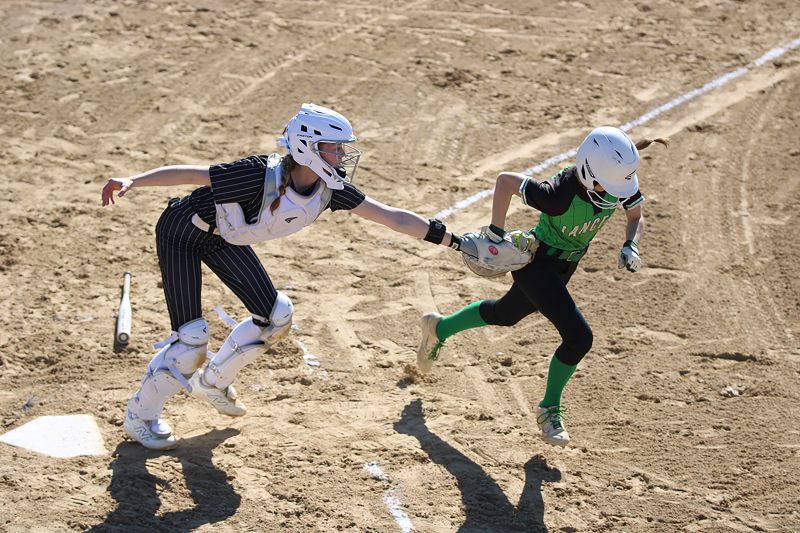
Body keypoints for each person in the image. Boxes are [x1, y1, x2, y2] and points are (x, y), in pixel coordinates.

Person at [101, 103, 466, 450]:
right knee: (191, 341)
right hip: (182, 232)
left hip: (222, 238)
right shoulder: (257, 175)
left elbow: (393, 217)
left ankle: (213, 382)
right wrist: (133, 180)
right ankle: (140, 416)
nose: (342, 156)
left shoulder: (329, 189)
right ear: (308, 148)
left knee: (276, 316)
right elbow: (192, 174)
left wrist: (455, 241)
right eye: (335, 148)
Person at [416, 127, 667, 447]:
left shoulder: (617, 181)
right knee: (579, 338)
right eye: (609, 185)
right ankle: (549, 409)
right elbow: (505, 181)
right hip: (536, 263)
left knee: (505, 314)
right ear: (589, 171)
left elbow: (635, 217)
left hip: (565, 268)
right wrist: (495, 233)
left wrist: (631, 245)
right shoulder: (558, 194)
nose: (615, 193)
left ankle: (438, 328)